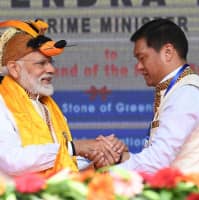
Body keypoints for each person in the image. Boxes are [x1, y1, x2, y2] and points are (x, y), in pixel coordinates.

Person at [0, 19, 127, 177]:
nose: (51, 69)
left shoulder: (47, 106)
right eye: (41, 63)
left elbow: (67, 167)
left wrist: (99, 162)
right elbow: (12, 160)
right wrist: (74, 147)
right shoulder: (2, 103)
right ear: (14, 68)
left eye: (51, 62)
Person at [94, 18, 199, 173]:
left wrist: (103, 175)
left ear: (168, 52)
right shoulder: (177, 90)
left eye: (142, 58)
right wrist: (118, 157)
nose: (139, 66)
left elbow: (158, 162)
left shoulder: (186, 93)